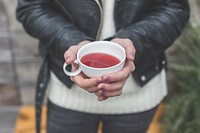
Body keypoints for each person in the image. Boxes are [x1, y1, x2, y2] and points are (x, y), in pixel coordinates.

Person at [16, 0, 190, 133]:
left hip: (137, 94)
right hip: (67, 93)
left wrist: (135, 41)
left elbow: (175, 8)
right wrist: (71, 42)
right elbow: (31, 7)